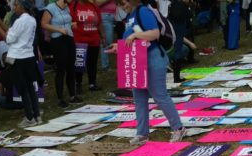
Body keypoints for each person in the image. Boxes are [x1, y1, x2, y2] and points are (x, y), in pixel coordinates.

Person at [111, 0, 186, 144]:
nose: (122, 6)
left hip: (153, 57)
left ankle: (178, 128)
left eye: (124, 2)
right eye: (119, 4)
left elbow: (154, 33)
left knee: (159, 95)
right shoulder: (130, 16)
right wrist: (119, 46)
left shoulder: (143, 11)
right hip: (137, 59)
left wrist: (134, 36)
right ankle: (142, 133)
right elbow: (132, 37)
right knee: (139, 97)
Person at [0, 0, 41, 126]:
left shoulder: (19, 21)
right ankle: (36, 115)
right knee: (30, 87)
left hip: (17, 58)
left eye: (15, 5)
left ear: (22, 7)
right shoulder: (32, 20)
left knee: (22, 88)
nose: (14, 8)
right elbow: (11, 31)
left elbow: (8, 39)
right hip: (29, 56)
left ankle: (29, 117)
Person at [42, 0, 80, 108]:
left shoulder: (67, 8)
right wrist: (58, 29)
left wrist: (71, 24)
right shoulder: (51, 7)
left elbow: (66, 22)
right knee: (61, 69)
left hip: (69, 38)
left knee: (71, 67)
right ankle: (60, 98)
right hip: (58, 40)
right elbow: (44, 24)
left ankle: (73, 95)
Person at [71, 0, 102, 92]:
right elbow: (69, 21)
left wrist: (103, 36)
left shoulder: (93, 5)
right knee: (79, 63)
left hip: (94, 39)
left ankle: (92, 84)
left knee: (92, 62)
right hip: (79, 39)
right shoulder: (73, 5)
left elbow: (99, 22)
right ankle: (78, 84)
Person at [97, 0, 117, 71]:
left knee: (108, 41)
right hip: (104, 17)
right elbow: (97, 3)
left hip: (110, 17)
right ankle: (105, 66)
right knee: (105, 41)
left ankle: (105, 65)